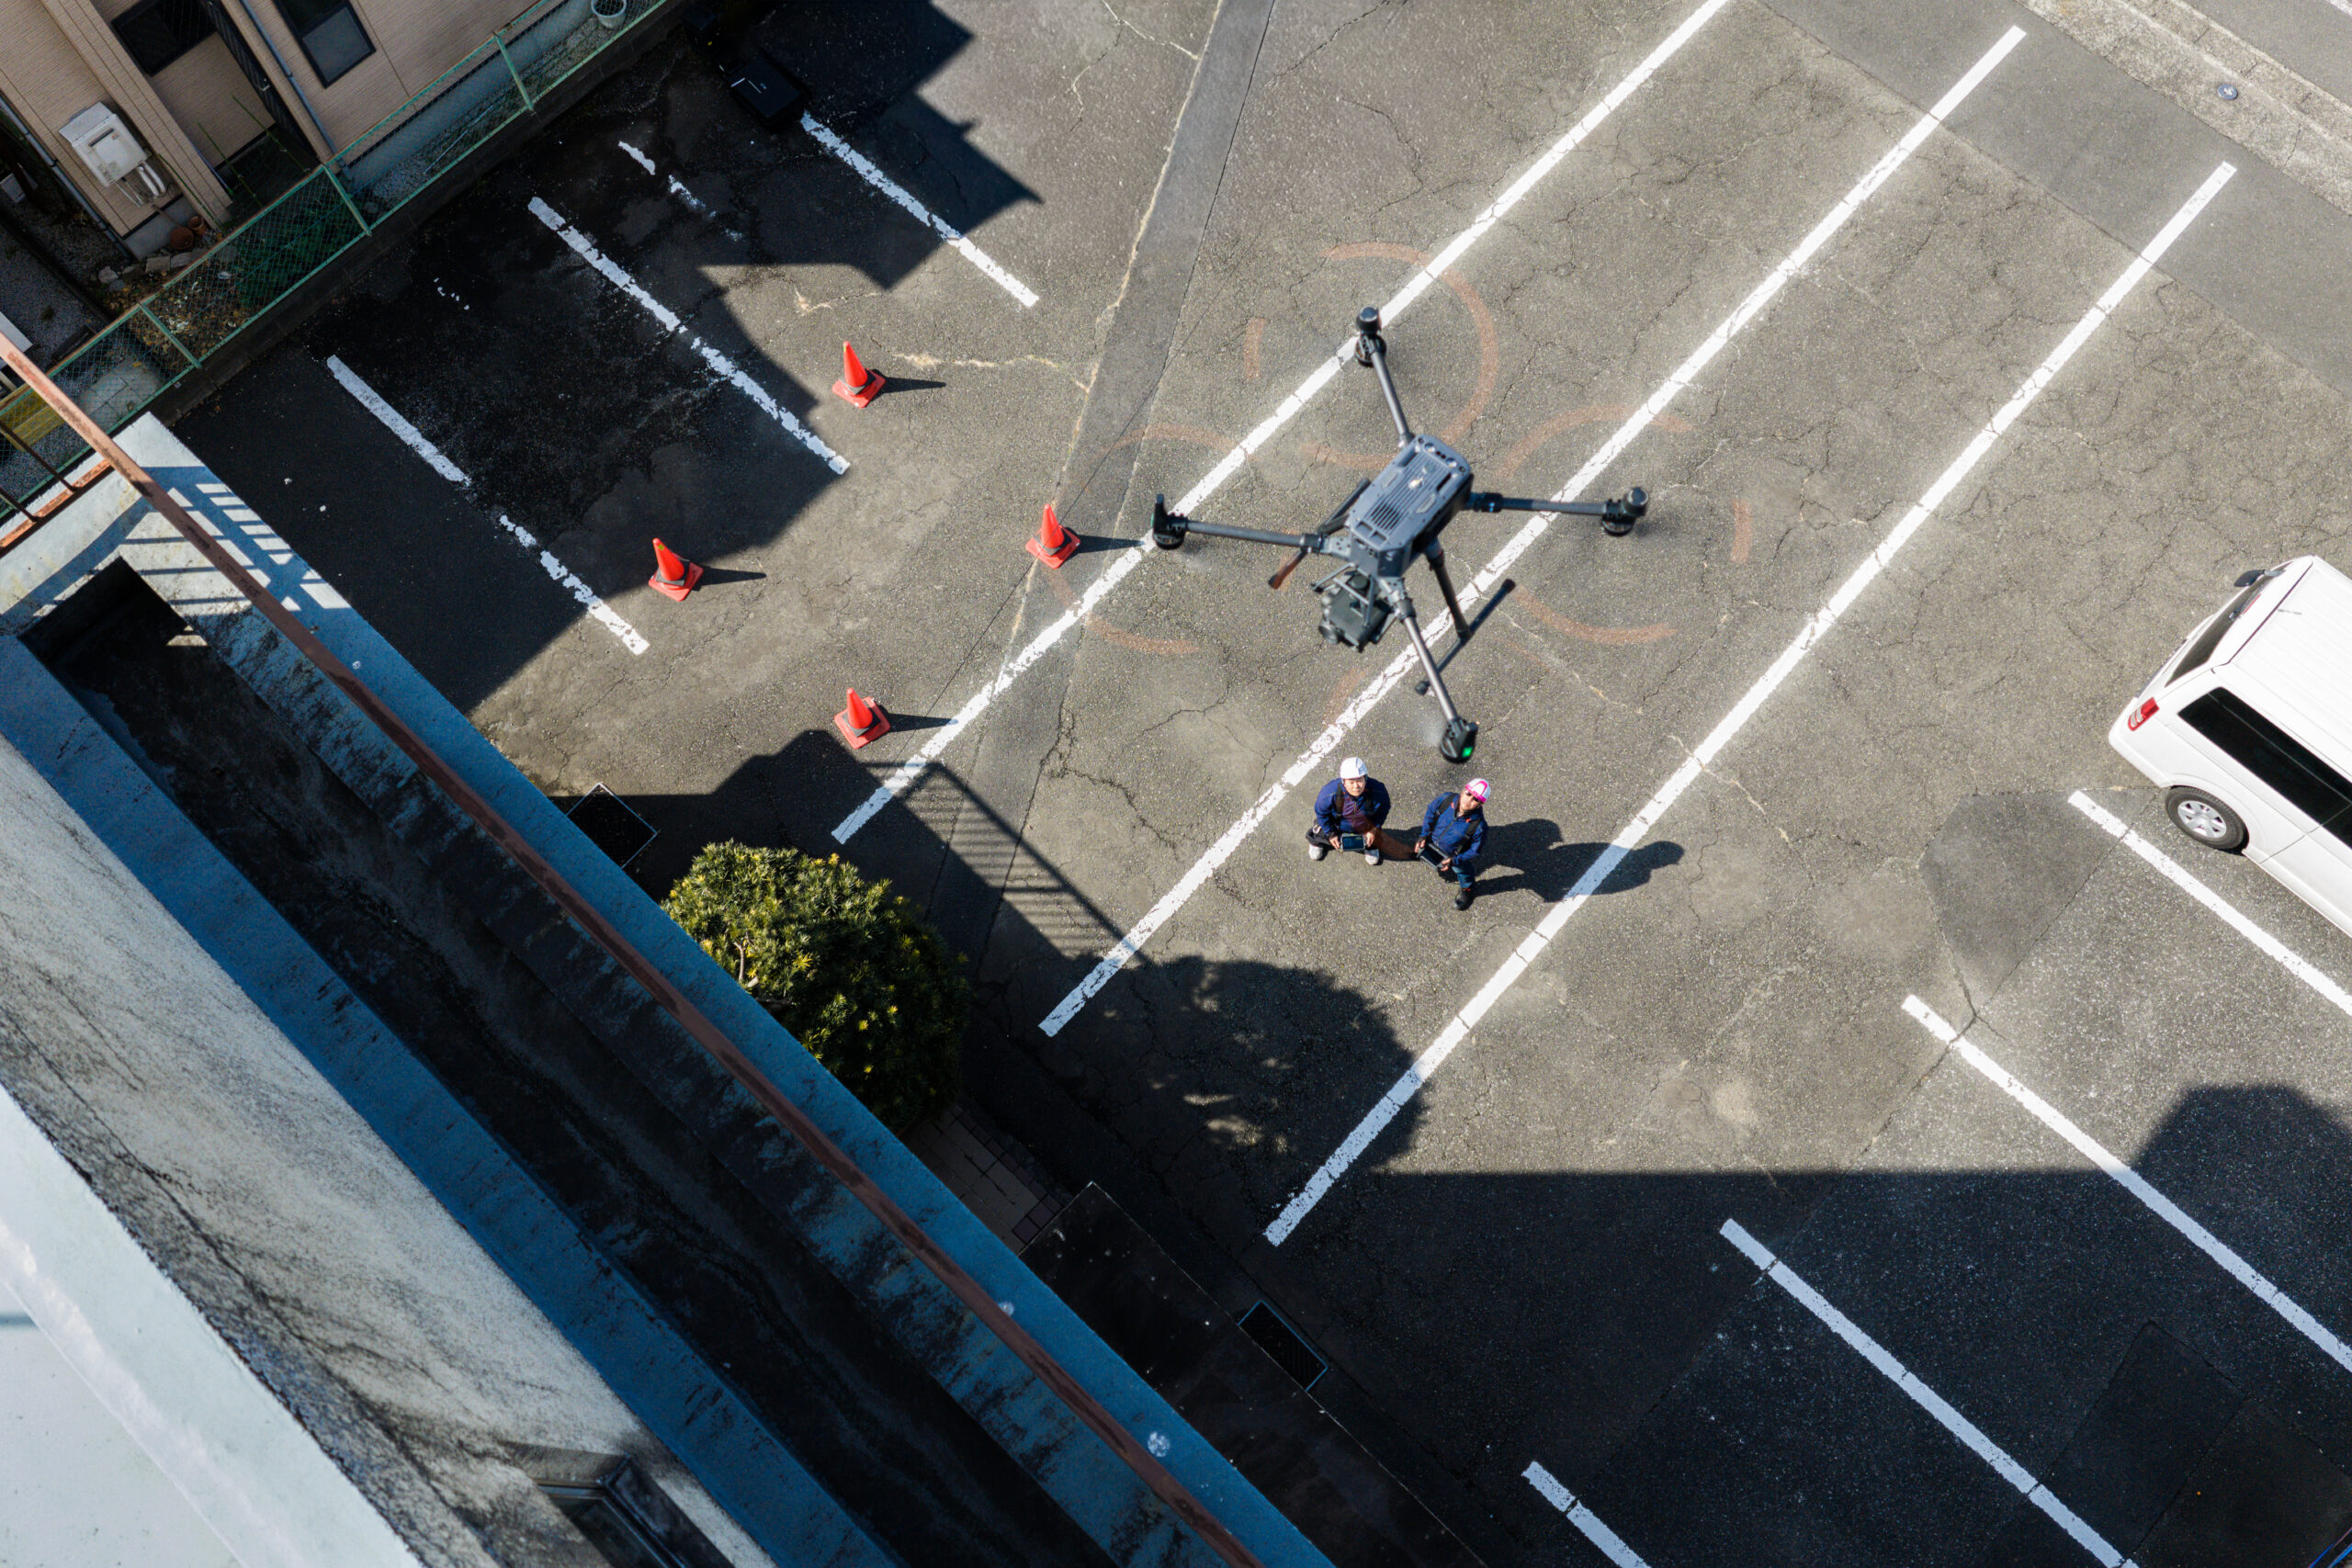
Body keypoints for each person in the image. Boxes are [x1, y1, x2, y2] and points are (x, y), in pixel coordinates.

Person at [1416, 779, 1489, 909]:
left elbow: (1474, 850)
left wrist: (1455, 860)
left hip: (1454, 854)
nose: (1469, 800)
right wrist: (1424, 834)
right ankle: (1428, 855)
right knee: (1424, 851)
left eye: (1475, 799)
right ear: (1463, 791)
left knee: (1463, 870)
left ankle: (1467, 889)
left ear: (1481, 804)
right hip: (1432, 840)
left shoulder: (1479, 827)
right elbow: (1430, 812)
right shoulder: (1446, 799)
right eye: (1468, 794)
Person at [1308, 756, 1390, 865]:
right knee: (1319, 831)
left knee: (1375, 838)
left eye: (1360, 780)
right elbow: (1322, 814)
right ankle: (1316, 843)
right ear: (1343, 781)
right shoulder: (1328, 794)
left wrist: (1373, 829)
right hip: (1336, 826)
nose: (1356, 786)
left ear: (1365, 778)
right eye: (1351, 782)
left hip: (1364, 827)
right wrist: (1331, 833)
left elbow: (1383, 811)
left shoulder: (1379, 791)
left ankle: (1370, 847)